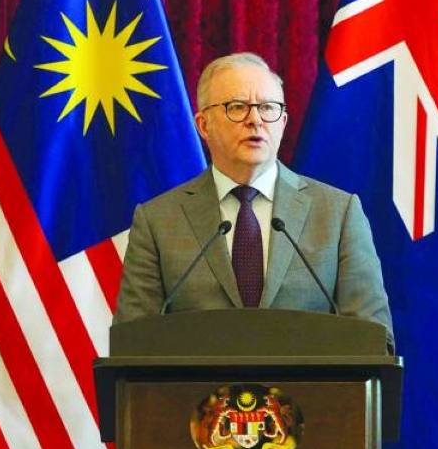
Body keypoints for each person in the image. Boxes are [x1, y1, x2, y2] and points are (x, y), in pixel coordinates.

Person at [113, 52, 394, 347]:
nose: (256, 120)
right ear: (204, 125)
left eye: (268, 108)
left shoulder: (339, 213)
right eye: (237, 107)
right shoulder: (157, 221)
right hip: (197, 393)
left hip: (310, 392)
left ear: (283, 122)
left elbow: (374, 339)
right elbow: (132, 344)